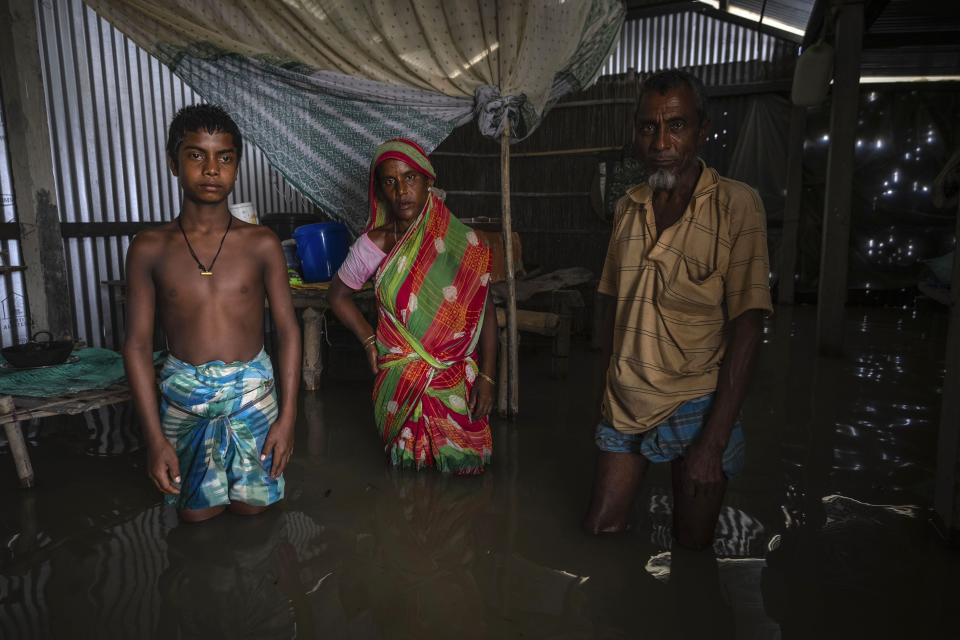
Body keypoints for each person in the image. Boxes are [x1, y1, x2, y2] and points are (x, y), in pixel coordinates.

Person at [583, 70, 772, 549]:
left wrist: (714, 439)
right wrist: (604, 387)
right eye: (648, 127)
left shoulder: (737, 206)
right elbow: (608, 304)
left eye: (676, 126)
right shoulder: (628, 206)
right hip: (625, 399)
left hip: (698, 401)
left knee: (691, 549)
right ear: (635, 132)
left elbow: (748, 328)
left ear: (702, 129)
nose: (660, 141)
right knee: (600, 530)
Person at [122, 104, 301, 523]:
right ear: (173, 163)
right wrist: (154, 440)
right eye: (196, 155)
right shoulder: (149, 247)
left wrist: (289, 419)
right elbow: (136, 345)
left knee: (255, 512)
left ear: (236, 166)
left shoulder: (261, 243)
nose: (210, 169)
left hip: (254, 399)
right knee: (197, 519)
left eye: (224, 157)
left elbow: (289, 332)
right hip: (184, 402)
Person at [327, 138, 496, 474]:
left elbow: (486, 312)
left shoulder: (463, 243)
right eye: (390, 181)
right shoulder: (373, 246)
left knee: (465, 472)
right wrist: (367, 340)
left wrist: (488, 377)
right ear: (380, 189)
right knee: (407, 473)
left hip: (455, 383)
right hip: (400, 383)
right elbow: (336, 296)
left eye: (410, 178)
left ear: (428, 181)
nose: (401, 190)